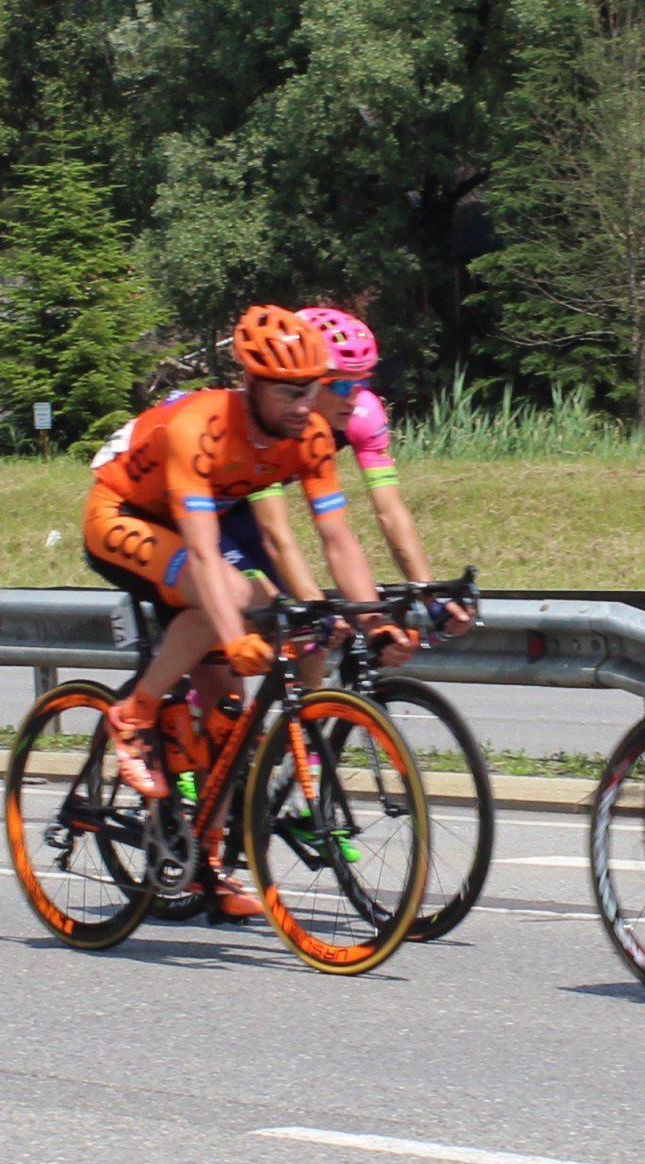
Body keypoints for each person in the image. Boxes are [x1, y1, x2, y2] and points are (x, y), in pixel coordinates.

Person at [82, 304, 414, 913]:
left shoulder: (310, 435)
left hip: (188, 534)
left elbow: (337, 539)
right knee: (232, 598)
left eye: (310, 390)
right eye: (288, 393)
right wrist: (236, 633)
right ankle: (133, 714)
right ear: (252, 385)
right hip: (124, 516)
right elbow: (207, 557)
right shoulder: (201, 427)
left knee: (230, 709)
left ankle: (208, 862)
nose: (302, 405)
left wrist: (375, 619)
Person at [245, 306, 476, 634]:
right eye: (339, 386)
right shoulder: (267, 427)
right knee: (290, 626)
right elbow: (275, 535)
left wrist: (427, 595)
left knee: (311, 638)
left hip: (254, 514)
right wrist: (316, 609)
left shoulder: (364, 414)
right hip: (210, 515)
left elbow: (388, 513)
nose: (353, 397)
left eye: (361, 382)